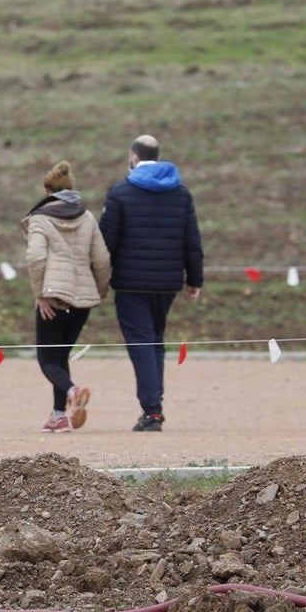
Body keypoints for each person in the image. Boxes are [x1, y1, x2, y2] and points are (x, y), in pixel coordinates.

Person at [99, 135, 204, 432]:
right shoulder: (181, 193)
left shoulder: (120, 192)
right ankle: (154, 403)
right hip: (168, 283)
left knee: (142, 343)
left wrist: (99, 280)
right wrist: (194, 279)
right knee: (156, 341)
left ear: (133, 156)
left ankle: (152, 410)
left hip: (130, 283)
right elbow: (192, 242)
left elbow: (106, 243)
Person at [21, 160, 111, 433]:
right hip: (82, 300)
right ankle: (59, 415)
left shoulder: (40, 218)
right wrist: (99, 291)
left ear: (46, 190)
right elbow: (102, 259)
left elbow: (36, 257)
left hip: (53, 297)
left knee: (48, 360)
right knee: (61, 357)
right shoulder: (87, 217)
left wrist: (40, 294)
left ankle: (73, 392)